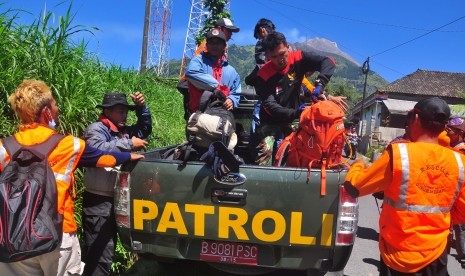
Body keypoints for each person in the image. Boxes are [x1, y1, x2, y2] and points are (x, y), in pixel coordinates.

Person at [0, 79, 144, 275]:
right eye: (54, 104)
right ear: (46, 112)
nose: (58, 109)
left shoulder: (3, 147)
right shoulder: (68, 145)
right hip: (57, 234)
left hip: (12, 237)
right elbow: (104, 158)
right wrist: (129, 154)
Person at [344, 97, 465, 275]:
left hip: (397, 254)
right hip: (436, 253)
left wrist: (358, 165)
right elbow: (461, 212)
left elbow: (354, 187)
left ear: (415, 118)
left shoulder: (399, 154)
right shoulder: (459, 161)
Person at [82, 92, 152, 275]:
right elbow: (98, 150)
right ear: (107, 111)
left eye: (126, 112)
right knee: (99, 253)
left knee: (109, 249)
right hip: (98, 201)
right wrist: (129, 144)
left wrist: (141, 108)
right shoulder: (95, 129)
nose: (124, 115)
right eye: (121, 111)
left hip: (117, 198)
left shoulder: (122, 132)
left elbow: (145, 129)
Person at [252, 31, 347, 165]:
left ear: (288, 47)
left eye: (282, 53)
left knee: (297, 153)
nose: (280, 59)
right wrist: (296, 112)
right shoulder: (263, 75)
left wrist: (320, 83)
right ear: (267, 56)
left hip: (295, 120)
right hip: (270, 121)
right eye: (274, 57)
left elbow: (328, 62)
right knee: (265, 153)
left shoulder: (298, 58)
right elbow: (270, 105)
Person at [185, 29, 241, 115]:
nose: (214, 46)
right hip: (199, 114)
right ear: (206, 45)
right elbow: (191, 73)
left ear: (224, 46)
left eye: (218, 43)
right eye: (211, 43)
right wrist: (215, 87)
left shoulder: (232, 72)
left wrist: (232, 100)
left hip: (222, 116)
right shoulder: (198, 61)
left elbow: (235, 91)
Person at [445, 116, 465, 268]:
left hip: (460, 198)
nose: (447, 130)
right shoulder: (450, 148)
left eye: (451, 129)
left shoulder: (461, 150)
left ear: (460, 133)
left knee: (460, 228)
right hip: (450, 196)